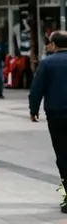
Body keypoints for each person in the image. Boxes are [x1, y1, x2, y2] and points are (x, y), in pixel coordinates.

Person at [30, 30, 67, 212]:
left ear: (53, 45)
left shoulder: (47, 63)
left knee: (63, 154)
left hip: (57, 115)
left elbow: (37, 88)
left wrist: (33, 109)